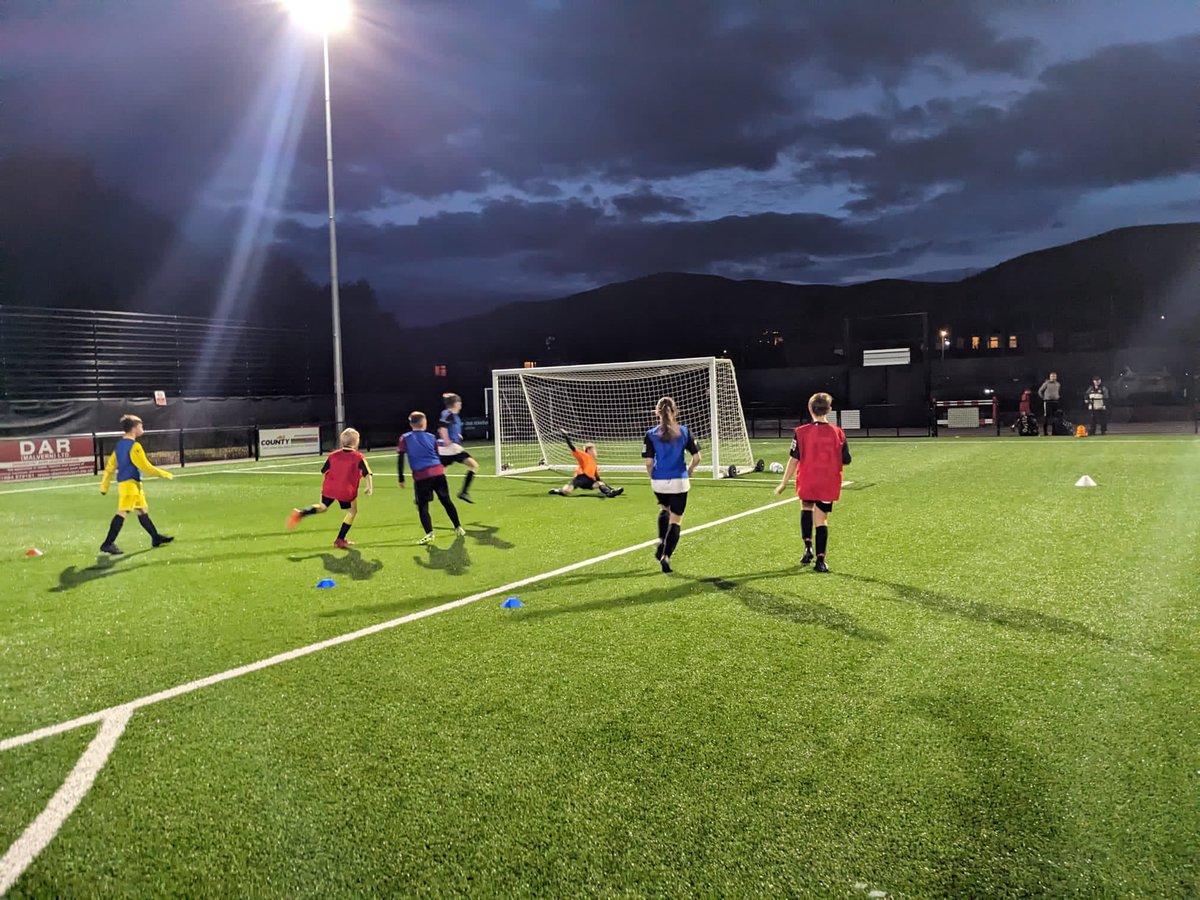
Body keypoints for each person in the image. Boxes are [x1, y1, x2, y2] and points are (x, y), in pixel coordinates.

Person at [774, 392, 850, 573]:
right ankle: (821, 561)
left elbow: (793, 460)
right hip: (827, 483)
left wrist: (784, 482)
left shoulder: (800, 432)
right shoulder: (838, 433)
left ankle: (808, 549)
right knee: (821, 519)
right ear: (829, 410)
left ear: (810, 409)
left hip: (807, 480)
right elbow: (846, 459)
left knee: (806, 508)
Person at [98, 414, 174, 555]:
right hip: (130, 486)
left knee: (142, 511)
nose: (142, 428)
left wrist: (104, 486)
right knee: (122, 513)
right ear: (134, 428)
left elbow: (110, 467)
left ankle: (155, 538)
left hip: (131, 485)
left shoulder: (120, 445)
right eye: (141, 426)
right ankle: (107, 543)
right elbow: (146, 467)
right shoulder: (135, 446)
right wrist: (164, 473)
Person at [286, 427, 373, 548]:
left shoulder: (332, 455)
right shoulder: (358, 457)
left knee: (322, 507)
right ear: (356, 442)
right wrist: (369, 487)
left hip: (329, 488)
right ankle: (339, 540)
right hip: (345, 491)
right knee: (352, 512)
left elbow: (323, 471)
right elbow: (367, 473)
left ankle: (301, 513)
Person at [643, 396, 701, 574]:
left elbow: (648, 463)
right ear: (675, 412)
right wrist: (690, 469)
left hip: (659, 482)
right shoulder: (684, 431)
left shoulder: (650, 434)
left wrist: (653, 476)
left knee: (664, 510)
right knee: (675, 520)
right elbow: (697, 457)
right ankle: (666, 557)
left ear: (656, 413)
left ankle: (661, 540)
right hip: (679, 481)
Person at [398, 411, 465, 544]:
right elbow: (436, 455)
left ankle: (429, 533)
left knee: (422, 505)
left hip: (422, 476)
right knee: (446, 501)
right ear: (424, 423)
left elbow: (400, 458)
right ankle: (458, 527)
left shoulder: (405, 438)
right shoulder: (431, 437)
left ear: (411, 423)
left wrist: (401, 478)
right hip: (438, 473)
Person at [549, 431, 624, 498]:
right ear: (588, 450)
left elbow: (597, 478)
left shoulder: (594, 464)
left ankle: (610, 493)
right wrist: (566, 436)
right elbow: (572, 448)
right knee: (566, 491)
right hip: (580, 478)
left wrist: (611, 489)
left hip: (588, 481)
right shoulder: (584, 455)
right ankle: (558, 491)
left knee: (599, 483)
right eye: (594, 450)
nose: (596, 452)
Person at [438, 393, 479, 504]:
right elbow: (442, 428)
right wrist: (446, 440)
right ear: (456, 403)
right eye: (459, 402)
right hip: (452, 448)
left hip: (447, 449)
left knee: (439, 473)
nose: (460, 404)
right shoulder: (449, 413)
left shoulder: (453, 415)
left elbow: (447, 428)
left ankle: (422, 495)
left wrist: (457, 436)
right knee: (474, 465)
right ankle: (463, 492)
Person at [1037, 371, 1062, 436]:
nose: (1053, 377)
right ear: (1050, 377)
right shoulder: (1046, 383)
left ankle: (1054, 432)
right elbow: (1040, 391)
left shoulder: (1058, 384)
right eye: (1052, 376)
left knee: (1055, 417)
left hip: (1055, 402)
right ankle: (1045, 432)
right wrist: (1043, 398)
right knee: (1047, 417)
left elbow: (1057, 392)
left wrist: (1057, 397)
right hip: (1048, 402)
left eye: (1054, 376)